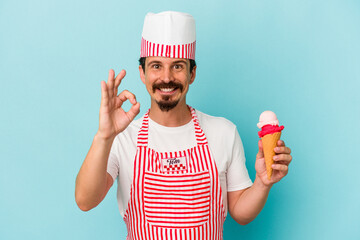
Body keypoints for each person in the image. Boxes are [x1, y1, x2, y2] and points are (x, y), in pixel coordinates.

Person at [75, 11, 292, 239]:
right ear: (142, 73)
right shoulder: (122, 137)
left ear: (192, 74)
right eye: (156, 66)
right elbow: (85, 201)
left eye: (177, 66)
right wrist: (104, 135)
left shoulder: (223, 132)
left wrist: (262, 182)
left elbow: (240, 212)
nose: (166, 77)